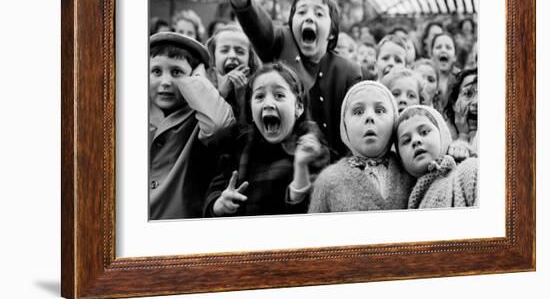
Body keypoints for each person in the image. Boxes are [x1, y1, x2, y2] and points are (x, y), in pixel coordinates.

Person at [211, 0, 362, 160]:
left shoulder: (348, 71)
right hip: (281, 166)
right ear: (291, 25)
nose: (309, 17)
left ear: (332, 32)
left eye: (319, 13)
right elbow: (257, 22)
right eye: (301, 12)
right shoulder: (281, 43)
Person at [203, 62, 329, 217]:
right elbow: (213, 193)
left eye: (279, 95)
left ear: (299, 107)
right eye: (260, 96)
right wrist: (219, 204)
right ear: (251, 109)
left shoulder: (312, 147)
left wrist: (301, 167)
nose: (268, 104)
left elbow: (314, 212)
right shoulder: (238, 144)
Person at [149, 32, 236, 220]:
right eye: (156, 71)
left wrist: (198, 80)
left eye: (176, 72)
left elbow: (219, 124)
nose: (165, 82)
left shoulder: (198, 117)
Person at [308, 81, 414, 213]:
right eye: (358, 112)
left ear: (394, 120)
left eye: (380, 110)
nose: (369, 117)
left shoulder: (410, 169)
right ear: (344, 125)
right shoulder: (328, 181)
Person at [395, 105, 478, 209]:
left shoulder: (469, 171)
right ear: (401, 160)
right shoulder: (403, 201)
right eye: (407, 140)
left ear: (443, 136)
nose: (415, 141)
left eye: (424, 132)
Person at [206, 25, 260, 124]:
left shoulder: (258, 88)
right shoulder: (203, 85)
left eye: (240, 52)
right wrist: (221, 94)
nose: (232, 56)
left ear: (250, 59)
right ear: (213, 56)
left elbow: (248, 133)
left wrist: (241, 98)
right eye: (224, 51)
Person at [444, 68, 478, 158]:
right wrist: (463, 136)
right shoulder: (441, 138)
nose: (476, 102)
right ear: (454, 103)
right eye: (468, 93)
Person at [430, 32, 459, 111]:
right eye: (438, 47)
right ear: (431, 55)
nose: (443, 50)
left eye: (448, 47)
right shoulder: (424, 78)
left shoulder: (460, 79)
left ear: (455, 56)